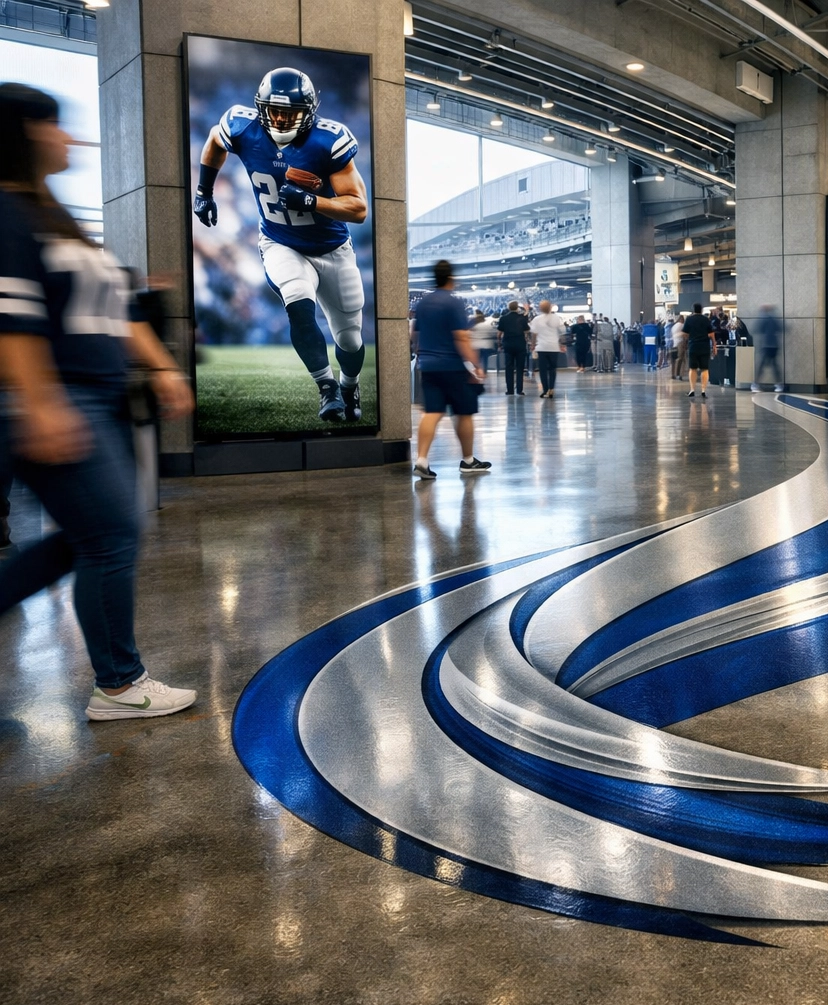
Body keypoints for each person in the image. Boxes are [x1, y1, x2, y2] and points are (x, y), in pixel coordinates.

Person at [0, 82, 198, 720]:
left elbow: (116, 309)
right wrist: (39, 403)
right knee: (111, 534)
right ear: (26, 134)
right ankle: (119, 686)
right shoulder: (8, 214)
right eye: (54, 125)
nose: (68, 138)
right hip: (59, 396)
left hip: (98, 398)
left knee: (96, 536)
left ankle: (118, 681)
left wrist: (162, 366)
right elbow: (11, 322)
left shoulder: (52, 216)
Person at [193, 66, 370, 423]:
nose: (279, 120)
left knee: (350, 338)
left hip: (332, 247)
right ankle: (327, 388)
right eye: (273, 111)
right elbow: (214, 141)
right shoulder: (242, 125)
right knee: (298, 304)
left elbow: (359, 208)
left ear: (309, 112)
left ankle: (349, 386)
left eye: (289, 113)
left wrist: (312, 201)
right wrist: (204, 191)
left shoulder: (328, 140)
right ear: (261, 107)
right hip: (280, 242)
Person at [411, 261, 489, 478]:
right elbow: (461, 337)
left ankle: (421, 461)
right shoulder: (453, 303)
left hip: (428, 367)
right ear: (451, 278)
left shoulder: (423, 303)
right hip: (452, 367)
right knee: (464, 412)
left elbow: (415, 334)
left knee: (432, 412)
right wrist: (476, 366)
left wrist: (421, 354)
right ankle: (468, 460)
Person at [529, 299, 566, 398]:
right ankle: (551, 388)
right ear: (550, 307)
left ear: (540, 308)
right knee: (552, 369)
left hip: (542, 347)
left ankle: (545, 390)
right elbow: (562, 332)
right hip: (554, 347)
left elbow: (534, 334)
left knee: (543, 370)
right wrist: (562, 344)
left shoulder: (537, 319)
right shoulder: (556, 318)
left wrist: (533, 345)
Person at [682, 302, 714, 398]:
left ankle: (692, 390)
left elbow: (685, 334)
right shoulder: (706, 319)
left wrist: (686, 341)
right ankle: (703, 390)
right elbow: (711, 334)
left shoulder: (689, 319)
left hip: (693, 346)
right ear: (701, 310)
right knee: (705, 368)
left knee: (693, 368)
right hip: (705, 346)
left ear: (693, 310)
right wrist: (714, 346)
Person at [497, 302, 529, 395]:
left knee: (509, 367)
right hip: (520, 345)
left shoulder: (503, 318)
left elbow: (499, 334)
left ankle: (510, 390)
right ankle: (519, 390)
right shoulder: (522, 318)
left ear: (509, 308)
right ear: (517, 308)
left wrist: (499, 344)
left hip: (508, 345)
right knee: (520, 368)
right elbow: (527, 331)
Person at [752, 304, 784, 393]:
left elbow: (757, 328)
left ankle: (755, 384)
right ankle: (778, 384)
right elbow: (781, 328)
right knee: (774, 365)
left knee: (762, 366)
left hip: (766, 345)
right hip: (773, 345)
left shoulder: (764, 319)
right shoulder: (774, 319)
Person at [471, 309, 499, 375]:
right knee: (485, 360)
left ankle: (478, 370)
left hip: (476, 345)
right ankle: (484, 371)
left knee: (477, 359)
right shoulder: (487, 325)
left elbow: (471, 335)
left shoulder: (474, 326)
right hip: (486, 345)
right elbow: (493, 334)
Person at [670, 315, 687, 381]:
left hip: (674, 344)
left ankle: (673, 374)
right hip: (680, 343)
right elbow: (685, 335)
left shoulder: (673, 327)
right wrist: (685, 344)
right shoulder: (682, 325)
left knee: (673, 360)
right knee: (682, 360)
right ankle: (680, 375)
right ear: (682, 319)